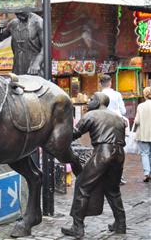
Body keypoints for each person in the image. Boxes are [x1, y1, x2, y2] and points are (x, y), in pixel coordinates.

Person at [61, 92, 126, 238]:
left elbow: (74, 134)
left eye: (91, 99)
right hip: (120, 154)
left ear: (97, 101)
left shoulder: (91, 115)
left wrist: (61, 126)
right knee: (113, 189)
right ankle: (121, 224)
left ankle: (77, 226)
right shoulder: (118, 117)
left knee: (82, 186)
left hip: (103, 153)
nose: (88, 101)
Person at [0, 11, 43, 77]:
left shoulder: (38, 22)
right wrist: (0, 29)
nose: (19, 16)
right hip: (18, 65)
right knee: (17, 85)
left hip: (33, 66)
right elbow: (0, 38)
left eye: (21, 13)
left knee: (33, 85)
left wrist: (36, 63)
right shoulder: (13, 23)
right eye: (17, 14)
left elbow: (45, 47)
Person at [100, 74, 127, 185]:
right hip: (117, 123)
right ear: (110, 83)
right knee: (118, 148)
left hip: (103, 124)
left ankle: (104, 173)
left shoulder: (98, 95)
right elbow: (123, 111)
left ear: (100, 84)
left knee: (103, 147)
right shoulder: (117, 95)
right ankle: (118, 175)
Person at [134, 87, 151, 182]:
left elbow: (137, 121)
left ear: (144, 95)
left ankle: (146, 173)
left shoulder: (140, 106)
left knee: (145, 153)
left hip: (143, 133)